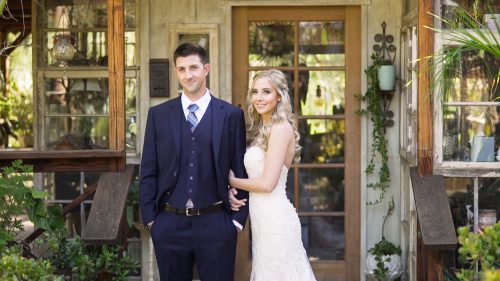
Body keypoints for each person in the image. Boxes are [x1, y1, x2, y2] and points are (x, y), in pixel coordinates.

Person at [139, 42, 249, 281]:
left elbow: (241, 170)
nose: (188, 75)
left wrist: (237, 223)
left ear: (206, 69)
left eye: (193, 67)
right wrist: (151, 221)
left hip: (216, 224)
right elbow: (148, 170)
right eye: (181, 69)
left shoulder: (230, 115)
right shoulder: (158, 115)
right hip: (169, 223)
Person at [228, 69, 317, 281]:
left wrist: (230, 180)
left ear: (279, 96)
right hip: (261, 221)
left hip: (276, 221)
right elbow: (254, 177)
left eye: (266, 92)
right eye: (255, 91)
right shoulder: (260, 129)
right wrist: (234, 190)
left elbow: (267, 184)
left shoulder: (280, 128)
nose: (259, 97)